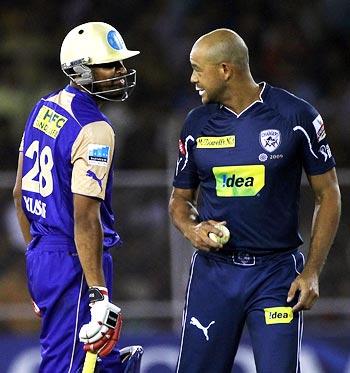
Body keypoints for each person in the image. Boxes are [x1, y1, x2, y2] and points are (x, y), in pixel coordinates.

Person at [169, 28, 341, 373]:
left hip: (276, 277)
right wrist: (192, 229)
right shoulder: (196, 125)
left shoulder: (296, 117)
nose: (192, 79)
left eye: (197, 69)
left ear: (225, 70)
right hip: (214, 276)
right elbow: (179, 200)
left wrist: (312, 272)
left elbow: (329, 195)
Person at [13, 22, 141, 373]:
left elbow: (18, 193)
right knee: (67, 366)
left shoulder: (42, 107)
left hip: (45, 254)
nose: (121, 72)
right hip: (75, 263)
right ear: (80, 68)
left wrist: (36, 260)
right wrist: (99, 295)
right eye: (110, 65)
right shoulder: (96, 129)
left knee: (102, 362)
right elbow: (85, 220)